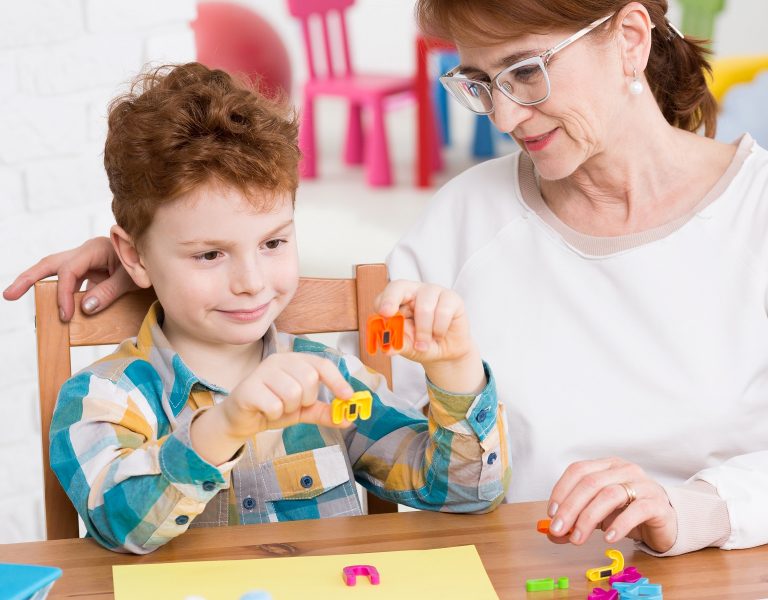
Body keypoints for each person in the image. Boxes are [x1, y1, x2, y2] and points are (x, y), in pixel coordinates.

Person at [5, 0, 767, 557]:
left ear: (631, 39)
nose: (501, 116)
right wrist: (158, 257)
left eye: (525, 73)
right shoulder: (461, 221)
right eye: (478, 81)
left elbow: (453, 480)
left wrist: (696, 506)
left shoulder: (749, 219)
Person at [37, 63, 508, 554]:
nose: (252, 282)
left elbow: (465, 494)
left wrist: (455, 367)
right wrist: (223, 427)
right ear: (133, 256)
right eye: (209, 255)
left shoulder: (331, 379)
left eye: (274, 242)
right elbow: (120, 523)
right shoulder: (104, 399)